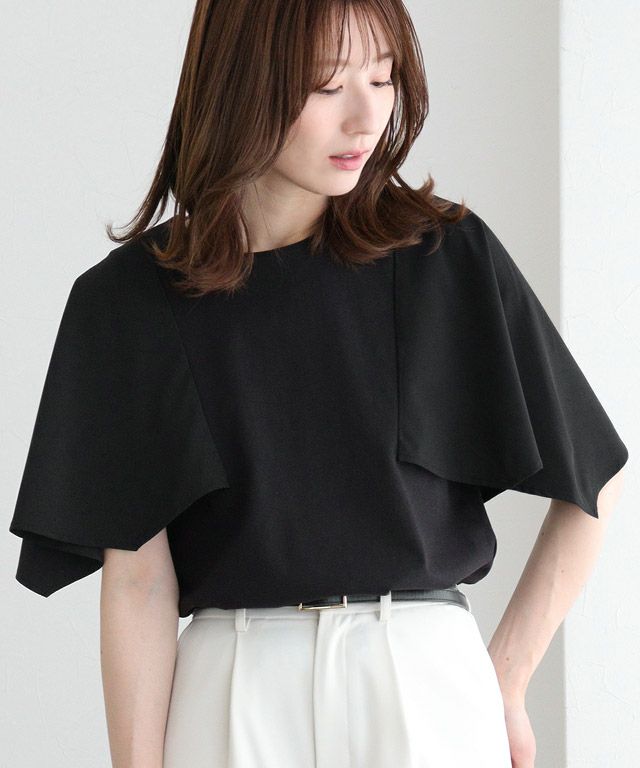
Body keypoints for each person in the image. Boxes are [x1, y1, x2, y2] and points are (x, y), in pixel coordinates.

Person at [9, 1, 629, 767]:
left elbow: (591, 481)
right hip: (231, 688)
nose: (366, 118)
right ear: (240, 81)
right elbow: (138, 582)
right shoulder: (129, 301)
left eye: (384, 77)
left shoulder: (443, 258)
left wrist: (503, 680)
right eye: (326, 85)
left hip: (421, 681)